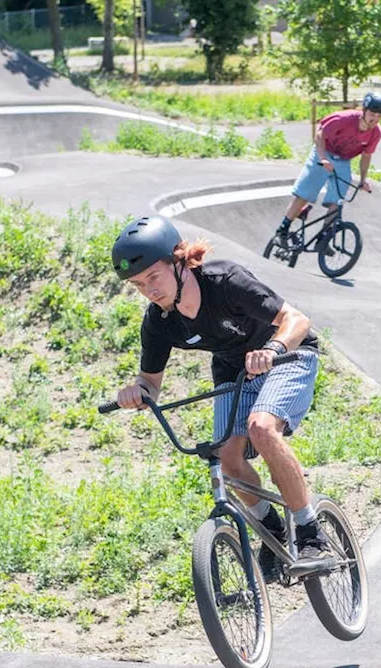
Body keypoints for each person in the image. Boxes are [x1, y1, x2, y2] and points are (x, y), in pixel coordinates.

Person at [111, 215, 334, 579]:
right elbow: (150, 381)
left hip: (287, 355)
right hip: (234, 370)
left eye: (154, 277)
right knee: (227, 456)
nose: (149, 291)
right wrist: (136, 393)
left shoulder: (225, 281)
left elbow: (297, 319)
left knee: (261, 428)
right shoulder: (159, 322)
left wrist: (273, 348)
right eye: (138, 285)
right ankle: (273, 531)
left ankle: (310, 532)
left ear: (179, 261)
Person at [274, 92, 381, 242]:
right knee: (305, 193)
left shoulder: (376, 133)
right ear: (364, 110)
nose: (375, 119)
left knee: (338, 200)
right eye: (372, 114)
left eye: (379, 116)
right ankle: (283, 228)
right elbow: (320, 136)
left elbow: (366, 156)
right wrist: (323, 159)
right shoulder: (343, 119)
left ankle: (324, 237)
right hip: (324, 152)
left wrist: (363, 180)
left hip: (343, 161)